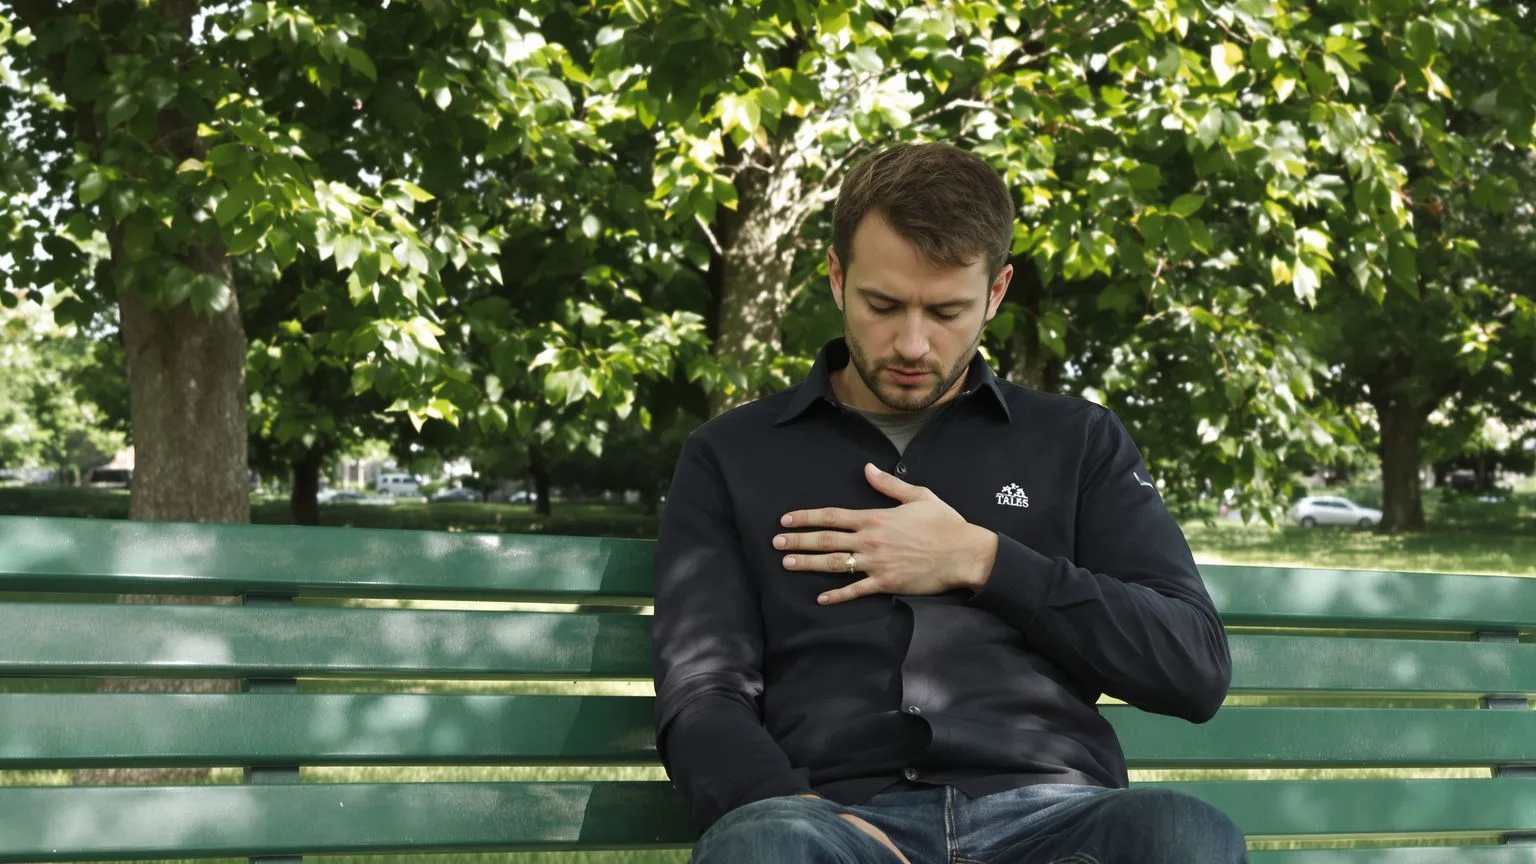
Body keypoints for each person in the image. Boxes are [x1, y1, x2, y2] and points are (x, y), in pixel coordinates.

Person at [650, 141, 1246, 864]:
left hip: (1051, 821)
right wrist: (795, 809)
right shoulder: (731, 455)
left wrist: (983, 560)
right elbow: (703, 694)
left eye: (946, 311)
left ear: (996, 293)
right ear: (837, 278)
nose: (911, 342)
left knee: (1182, 837)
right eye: (882, 304)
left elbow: (1192, 667)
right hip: (839, 823)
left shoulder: (1077, 441)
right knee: (767, 846)